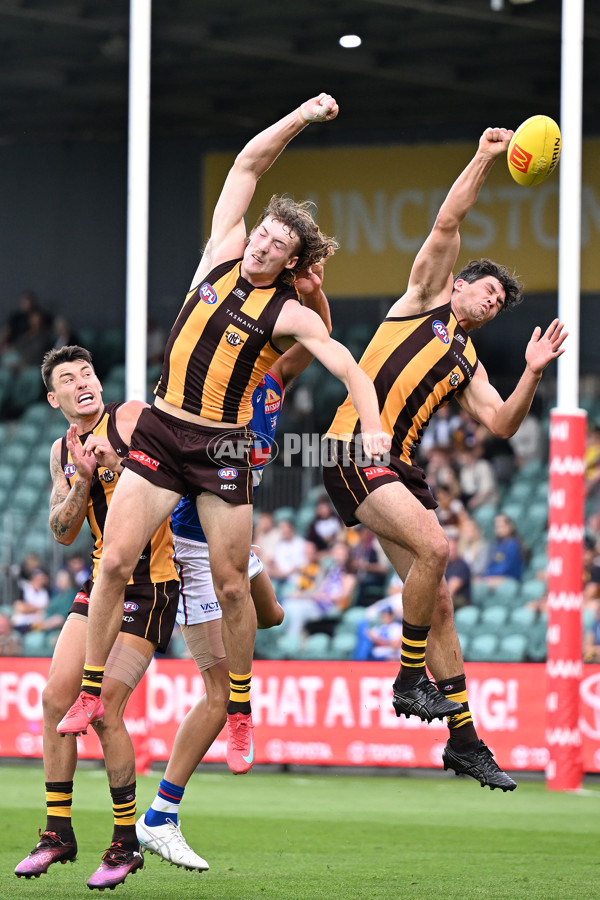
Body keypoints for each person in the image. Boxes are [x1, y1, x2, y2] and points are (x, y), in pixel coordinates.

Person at [58, 93, 390, 777]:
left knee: (236, 589)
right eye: (264, 233)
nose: (264, 245)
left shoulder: (288, 314)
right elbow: (247, 163)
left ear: (292, 262)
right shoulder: (219, 255)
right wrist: (301, 117)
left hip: (223, 449)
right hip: (162, 427)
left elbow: (347, 366)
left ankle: (239, 709)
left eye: (279, 246)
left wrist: (375, 426)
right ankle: (90, 694)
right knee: (114, 563)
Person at [323, 125, 567, 791]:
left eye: (498, 305)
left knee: (442, 604)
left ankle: (464, 742)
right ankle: (407, 681)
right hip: (352, 445)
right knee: (436, 548)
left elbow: (501, 421)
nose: (492, 304)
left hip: (397, 469)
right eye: (486, 291)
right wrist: (485, 158)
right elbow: (449, 218)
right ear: (458, 283)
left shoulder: (468, 360)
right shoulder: (424, 297)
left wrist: (533, 372)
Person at [136, 269, 333, 869]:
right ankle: (161, 814)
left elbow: (320, 336)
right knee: (219, 696)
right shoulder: (205, 395)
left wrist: (314, 289)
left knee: (268, 616)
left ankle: (240, 619)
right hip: (195, 551)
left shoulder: (271, 381)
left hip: (234, 543)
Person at [14, 345, 180, 890]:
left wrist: (116, 462)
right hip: (100, 584)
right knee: (55, 698)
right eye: (69, 378)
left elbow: (172, 469)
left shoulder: (129, 417)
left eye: (86, 372)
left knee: (105, 707)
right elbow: (62, 530)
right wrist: (83, 480)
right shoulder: (63, 449)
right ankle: (58, 832)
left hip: (150, 583)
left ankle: (125, 842)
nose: (83, 381)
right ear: (53, 397)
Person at [478, 513, 524, 587]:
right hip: (495, 576)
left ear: (510, 527)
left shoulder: (513, 544)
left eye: (502, 527)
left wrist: (489, 575)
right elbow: (492, 563)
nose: (499, 530)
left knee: (482, 584)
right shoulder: (497, 544)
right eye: (497, 527)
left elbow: (507, 567)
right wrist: (486, 573)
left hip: (510, 577)